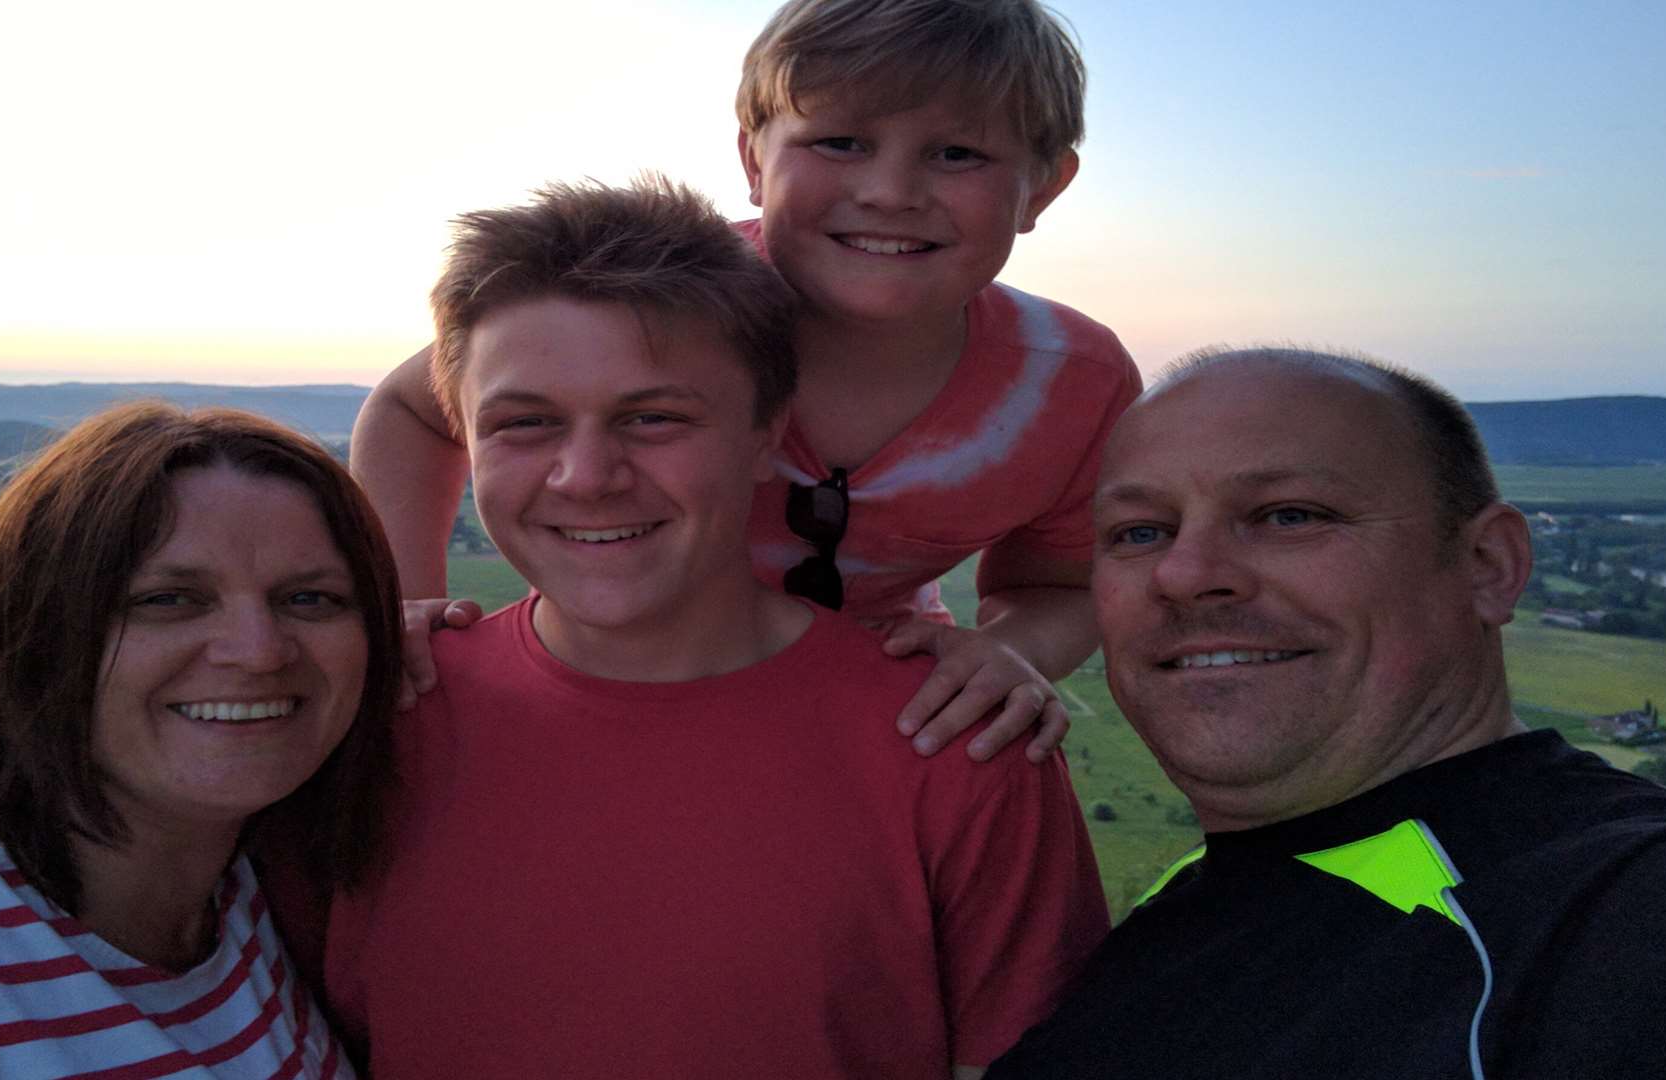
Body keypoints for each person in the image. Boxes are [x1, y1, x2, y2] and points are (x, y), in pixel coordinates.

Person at [305, 175, 1107, 1079]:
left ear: (769, 432)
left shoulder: (955, 744)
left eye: (652, 418)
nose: (586, 476)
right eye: (524, 423)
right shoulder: (364, 723)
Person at [351, 0, 1142, 762]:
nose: (891, 192)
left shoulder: (1074, 386)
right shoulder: (659, 299)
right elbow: (411, 409)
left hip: (876, 704)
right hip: (620, 667)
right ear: (753, 160)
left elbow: (1062, 585)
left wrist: (1006, 651)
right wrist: (405, 612)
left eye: (957, 154)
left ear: (1041, 187)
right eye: (839, 142)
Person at [986, 348, 1666, 1079]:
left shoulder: (1656, 909)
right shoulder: (1188, 900)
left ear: (1488, 566)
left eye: (1288, 516)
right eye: (1140, 532)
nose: (1185, 574)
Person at [0, 403, 404, 1079]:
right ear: (30, 635)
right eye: (168, 598)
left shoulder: (271, 885)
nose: (259, 651)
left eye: (310, 599)